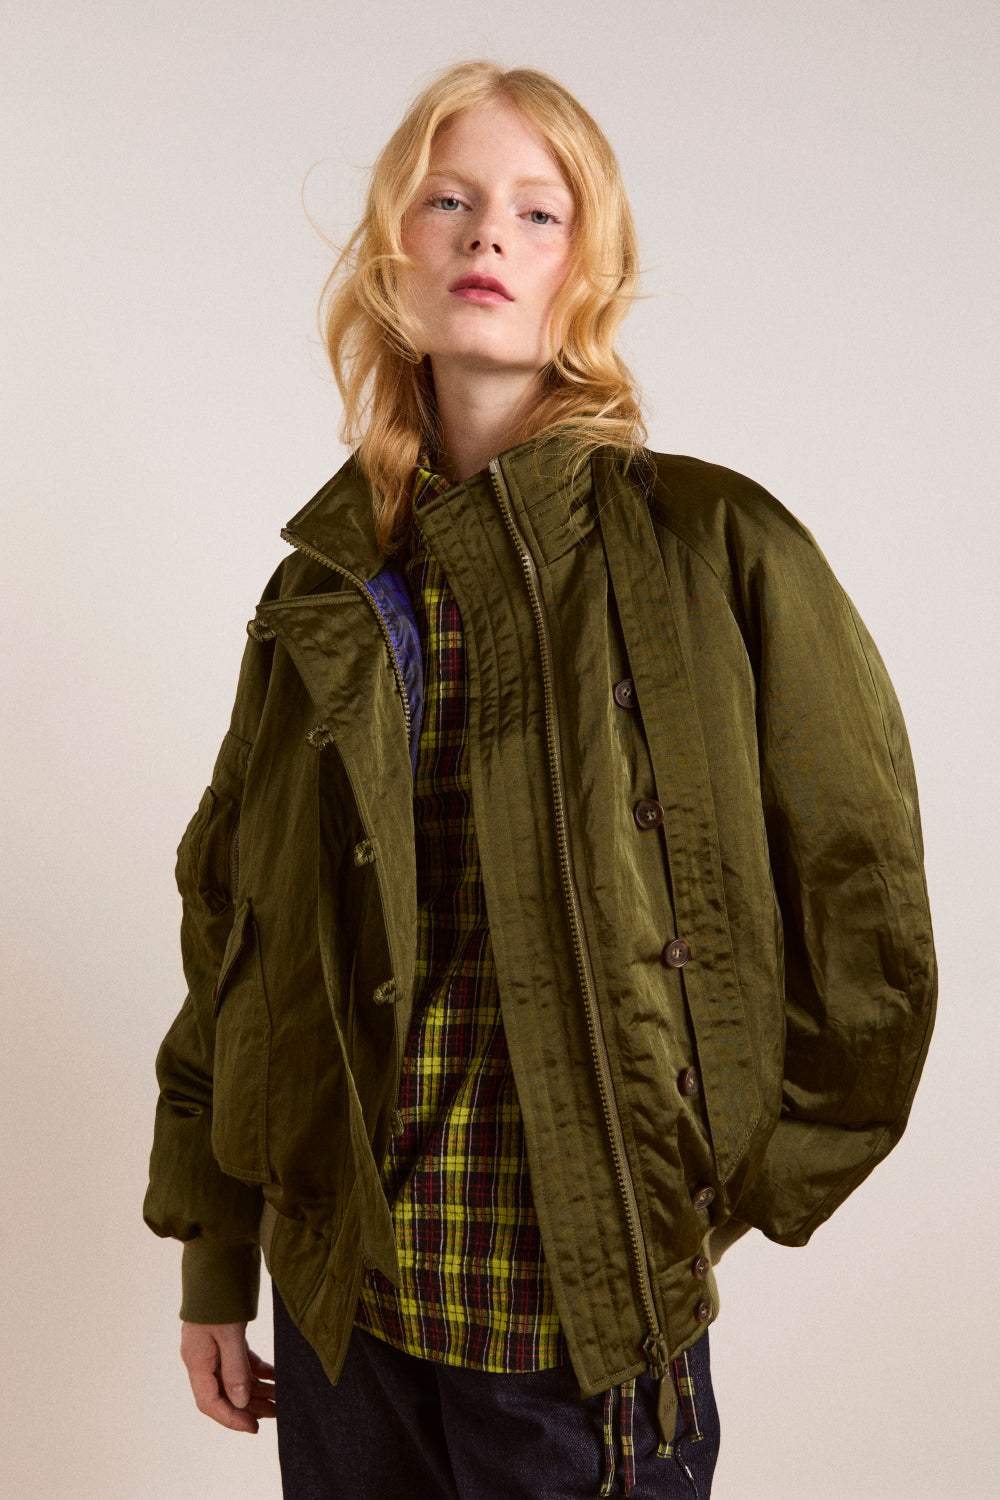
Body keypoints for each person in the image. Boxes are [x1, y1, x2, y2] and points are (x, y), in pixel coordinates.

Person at [143, 60, 937, 1500]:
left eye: (538, 211)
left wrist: (707, 1195)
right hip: (342, 1323)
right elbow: (236, 933)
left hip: (576, 1342)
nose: (488, 235)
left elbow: (862, 901)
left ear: (592, 270)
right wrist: (218, 1251)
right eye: (447, 201)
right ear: (393, 254)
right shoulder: (322, 593)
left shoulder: (715, 548)